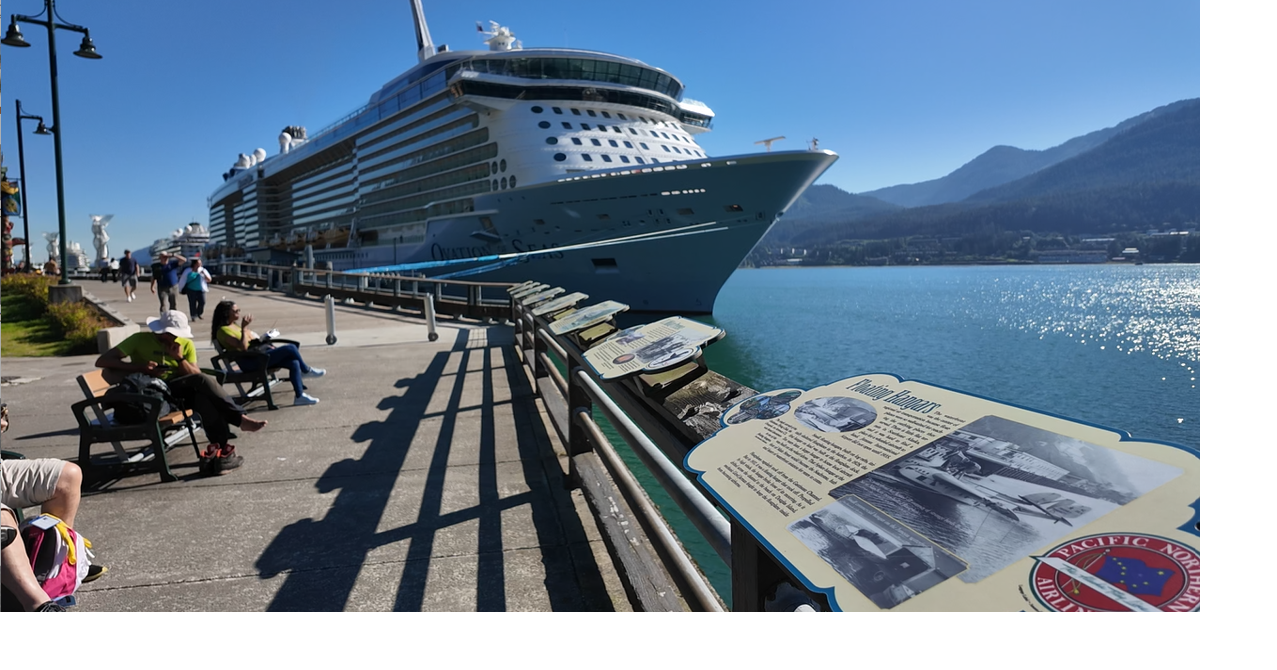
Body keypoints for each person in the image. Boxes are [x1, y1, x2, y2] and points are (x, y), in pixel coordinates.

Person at [95, 310, 267, 475]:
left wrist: (179, 359)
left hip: (177, 391)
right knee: (203, 392)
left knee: (202, 395)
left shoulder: (185, 344)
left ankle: (220, 451)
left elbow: (196, 376)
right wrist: (140, 367)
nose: (173, 338)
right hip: (152, 393)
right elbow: (103, 360)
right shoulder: (139, 340)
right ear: (159, 331)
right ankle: (237, 423)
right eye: (168, 334)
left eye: (175, 334)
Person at [211, 300, 325, 406]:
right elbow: (244, 347)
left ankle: (299, 397)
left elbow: (249, 341)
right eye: (236, 311)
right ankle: (305, 370)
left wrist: (262, 338)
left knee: (293, 362)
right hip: (250, 362)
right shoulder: (222, 331)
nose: (239, 313)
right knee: (290, 348)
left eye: (238, 310)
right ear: (226, 313)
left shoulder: (233, 326)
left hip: (257, 356)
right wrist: (244, 328)